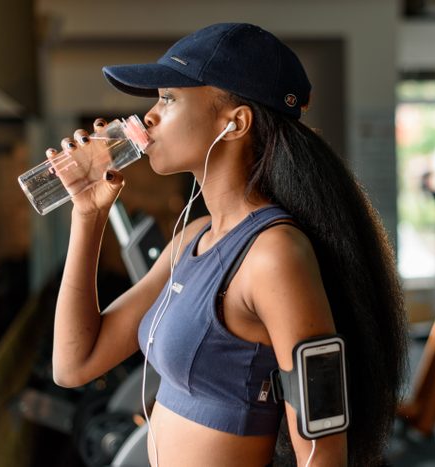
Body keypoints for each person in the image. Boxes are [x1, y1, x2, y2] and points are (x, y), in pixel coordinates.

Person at [48, 23, 407, 467]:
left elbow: (323, 450)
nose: (149, 117)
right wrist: (88, 215)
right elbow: (73, 365)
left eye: (170, 98)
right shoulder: (192, 237)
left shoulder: (274, 255)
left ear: (234, 123)